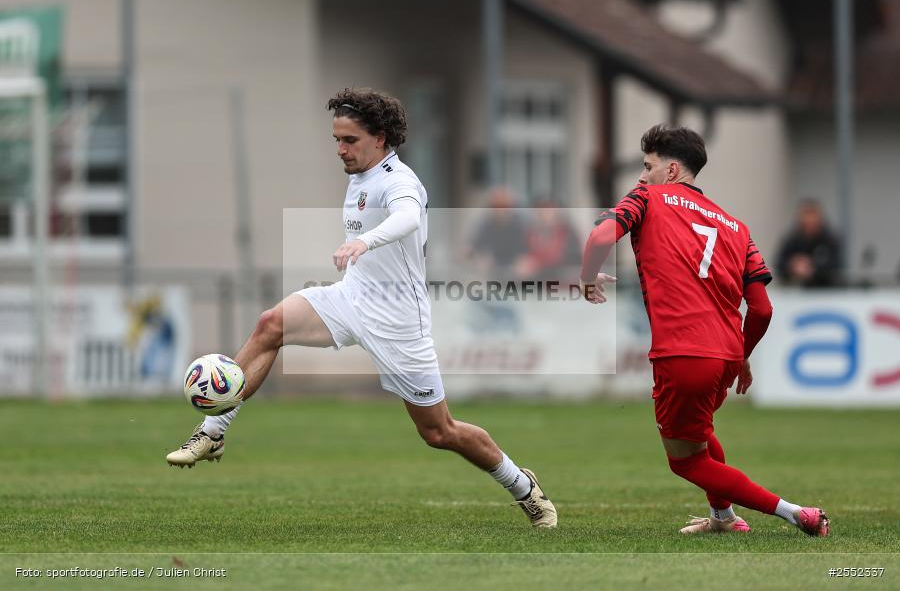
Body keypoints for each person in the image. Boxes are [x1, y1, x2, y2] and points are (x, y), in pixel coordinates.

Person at [165, 87, 557, 528]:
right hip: (351, 298)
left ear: (381, 138)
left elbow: (408, 216)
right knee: (270, 324)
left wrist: (364, 241)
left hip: (398, 319)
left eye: (349, 140)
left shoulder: (400, 181)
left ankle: (523, 487)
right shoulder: (359, 174)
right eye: (336, 139)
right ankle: (213, 433)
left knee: (439, 432)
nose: (340, 149)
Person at [579, 124, 829, 536]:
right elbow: (763, 309)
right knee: (700, 434)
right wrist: (743, 354)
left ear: (672, 170)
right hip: (727, 353)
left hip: (683, 351)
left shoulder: (647, 198)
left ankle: (795, 513)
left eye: (648, 166)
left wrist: (588, 277)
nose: (642, 176)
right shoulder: (736, 227)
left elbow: (600, 235)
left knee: (685, 460)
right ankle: (723, 518)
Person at [776, 199, 842, 287]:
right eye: (806, 214)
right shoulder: (793, 239)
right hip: (797, 292)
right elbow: (779, 263)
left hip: (826, 291)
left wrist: (813, 267)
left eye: (812, 214)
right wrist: (793, 265)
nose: (809, 219)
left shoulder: (830, 239)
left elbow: (837, 265)